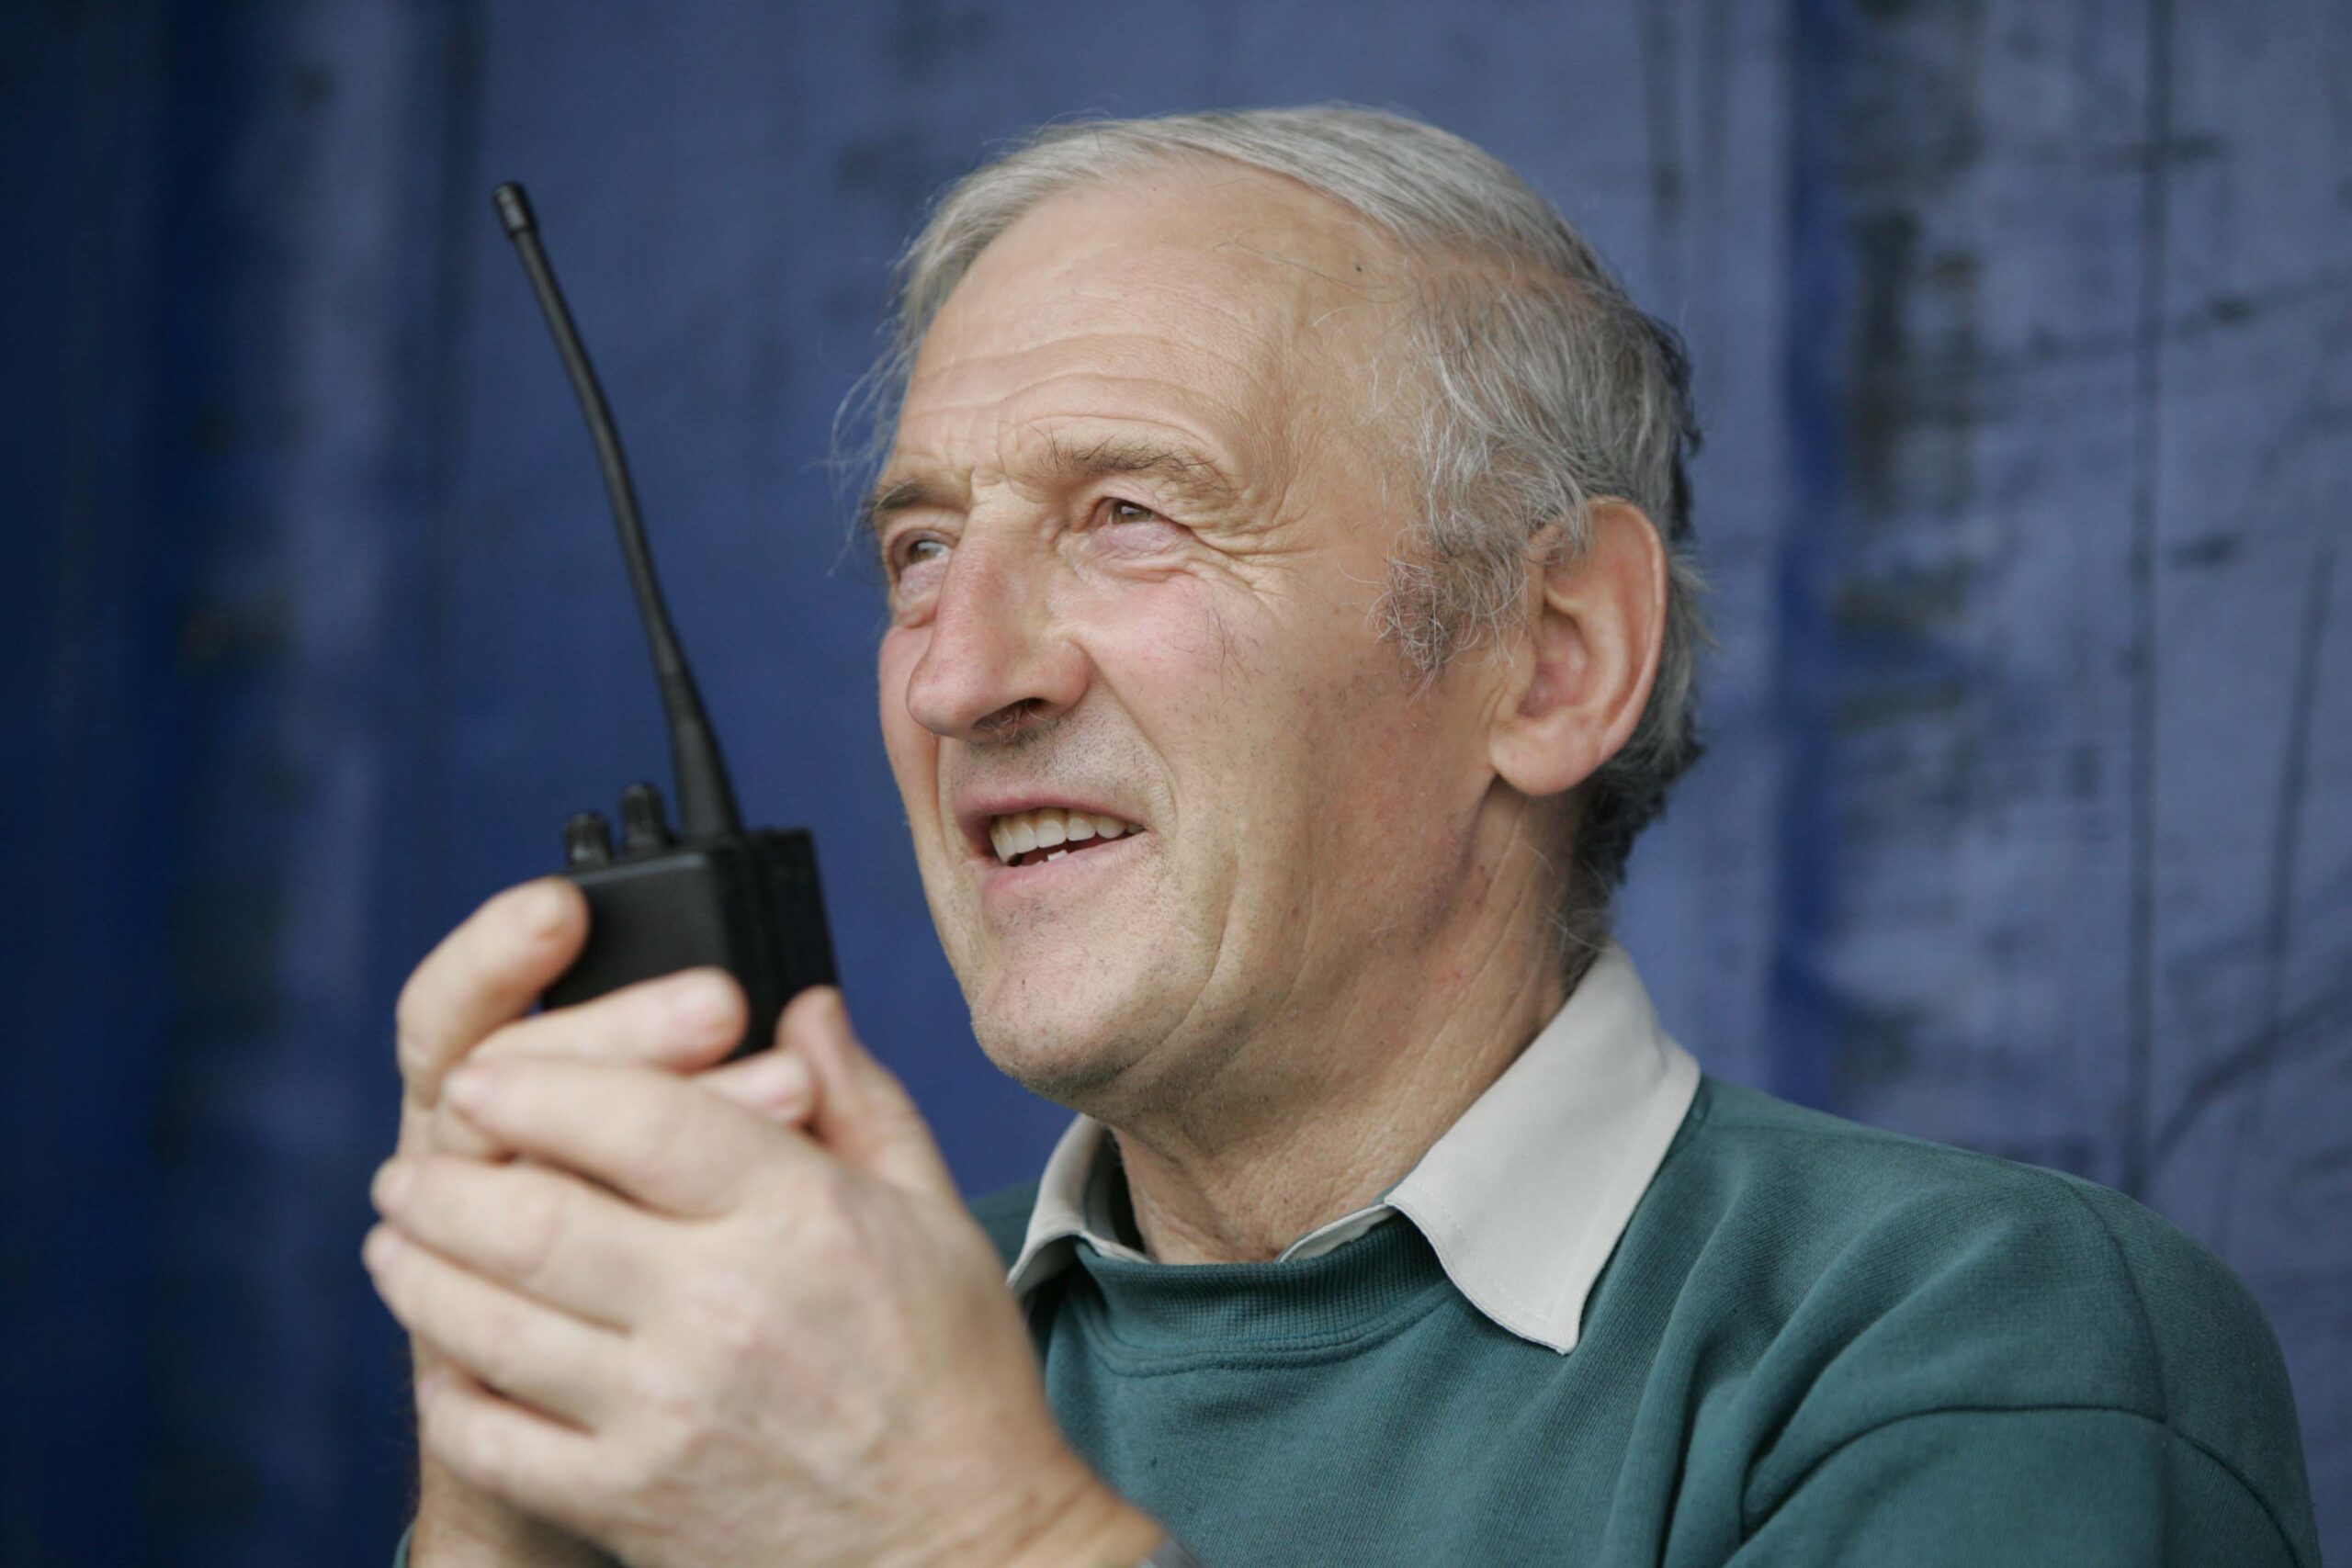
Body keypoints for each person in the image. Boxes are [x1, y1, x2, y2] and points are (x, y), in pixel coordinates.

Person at [367, 107, 2320, 1566]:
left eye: (1131, 512)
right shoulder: (788, 1351)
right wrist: (504, 1491)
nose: (960, 675)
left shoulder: (1966, 1340)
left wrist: (959, 1527)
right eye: (917, 548)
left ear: (1549, 655)